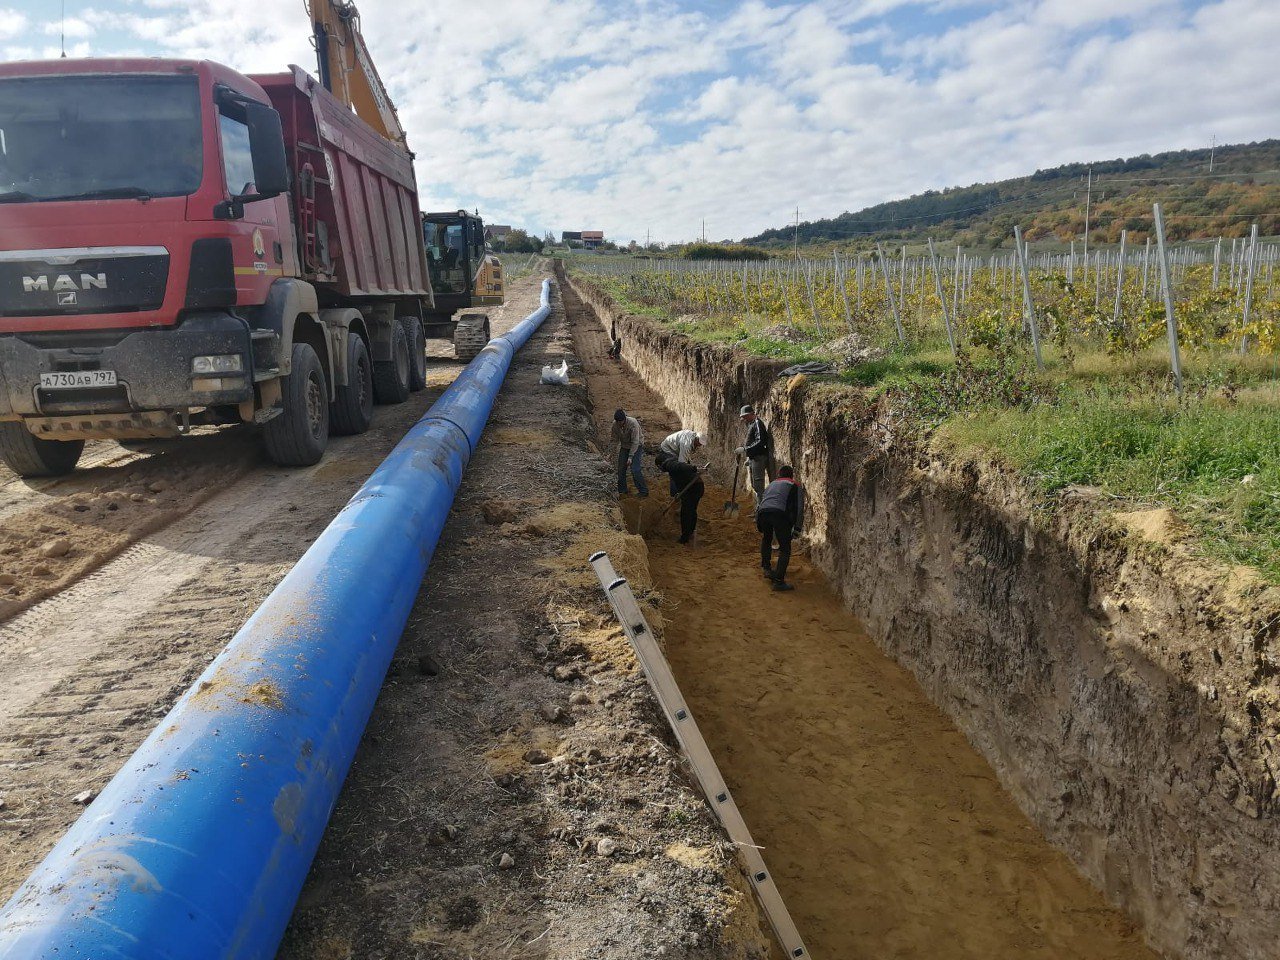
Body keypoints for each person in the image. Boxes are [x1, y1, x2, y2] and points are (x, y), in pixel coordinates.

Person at [756, 465, 804, 591]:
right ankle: (778, 581)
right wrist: (797, 528)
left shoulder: (771, 484)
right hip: (779, 514)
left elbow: (762, 501)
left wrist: (759, 522)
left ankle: (767, 568)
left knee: (767, 539)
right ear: (791, 476)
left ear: (779, 475)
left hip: (763, 513)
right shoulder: (795, 485)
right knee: (785, 549)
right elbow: (799, 508)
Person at [735, 404, 773, 511]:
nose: (744, 419)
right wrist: (748, 457)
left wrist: (745, 449)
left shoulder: (757, 424)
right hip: (753, 458)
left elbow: (760, 441)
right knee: (755, 485)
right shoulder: (751, 423)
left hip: (759, 458)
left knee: (759, 485)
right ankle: (758, 508)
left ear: (751, 414)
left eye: (745, 416)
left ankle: (762, 511)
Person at [660, 456, 704, 545]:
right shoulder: (672, 464)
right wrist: (679, 493)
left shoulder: (670, 465)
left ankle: (685, 538)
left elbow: (683, 466)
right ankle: (690, 532)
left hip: (693, 488)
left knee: (686, 513)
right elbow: (682, 479)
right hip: (696, 487)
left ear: (659, 465)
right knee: (691, 510)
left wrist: (695, 468)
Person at [611, 408, 647, 497]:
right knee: (621, 469)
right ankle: (622, 491)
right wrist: (611, 453)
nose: (619, 424)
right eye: (617, 422)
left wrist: (630, 457)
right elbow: (614, 440)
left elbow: (635, 441)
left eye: (621, 421)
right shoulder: (615, 425)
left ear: (625, 419)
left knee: (635, 469)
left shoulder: (633, 423)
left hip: (637, 446)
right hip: (625, 446)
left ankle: (643, 491)